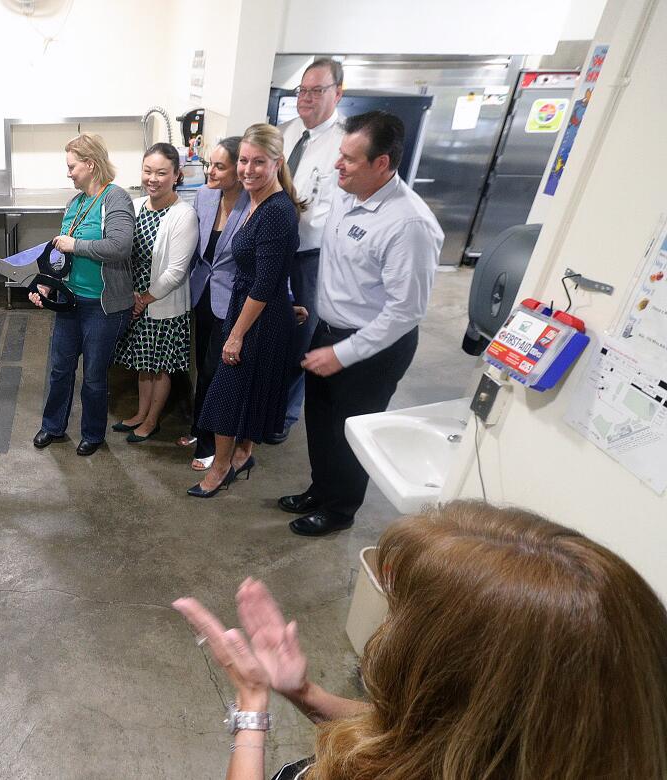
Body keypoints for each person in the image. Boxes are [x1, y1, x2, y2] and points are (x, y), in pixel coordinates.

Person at [173, 500, 667, 779]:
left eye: (401, 615)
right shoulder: (553, 744)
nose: (386, 632)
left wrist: (253, 708)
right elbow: (420, 734)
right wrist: (303, 692)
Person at [280, 111, 443, 536]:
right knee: (320, 422)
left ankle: (340, 510)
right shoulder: (347, 191)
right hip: (329, 331)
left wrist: (343, 352)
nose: (338, 165)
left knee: (350, 432)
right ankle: (320, 489)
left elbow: (405, 312)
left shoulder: (408, 225)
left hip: (371, 347)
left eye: (350, 159)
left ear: (382, 163)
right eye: (340, 155)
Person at [190, 124, 302, 498]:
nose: (248, 169)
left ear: (277, 163)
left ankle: (220, 468)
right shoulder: (255, 201)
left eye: (259, 162)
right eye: (243, 161)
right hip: (261, 310)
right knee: (252, 391)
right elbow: (272, 269)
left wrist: (236, 334)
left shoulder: (275, 211)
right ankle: (242, 455)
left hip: (258, 319)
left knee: (225, 393)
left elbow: (264, 283)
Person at [31, 133, 135, 457]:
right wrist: (48, 283)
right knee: (60, 368)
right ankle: (52, 426)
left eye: (72, 166)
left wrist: (75, 244)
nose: (69, 173)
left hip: (102, 307)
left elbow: (120, 246)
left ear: (90, 165)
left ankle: (92, 433)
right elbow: (62, 257)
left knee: (93, 375)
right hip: (69, 301)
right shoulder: (74, 205)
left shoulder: (115, 199)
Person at [272, 57, 346, 445]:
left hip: (310, 256)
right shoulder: (285, 133)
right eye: (302, 90)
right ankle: (267, 405)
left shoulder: (343, 145)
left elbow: (335, 210)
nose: (307, 98)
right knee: (269, 330)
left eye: (317, 91)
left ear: (338, 92)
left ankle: (285, 412)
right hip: (275, 249)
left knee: (302, 335)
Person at [111, 143, 199, 443]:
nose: (153, 178)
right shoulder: (134, 207)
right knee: (142, 363)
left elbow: (175, 271)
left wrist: (144, 299)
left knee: (159, 367)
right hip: (134, 301)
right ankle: (139, 412)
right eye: (148, 171)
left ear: (177, 175)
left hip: (162, 305)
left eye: (162, 173)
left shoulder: (183, 214)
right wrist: (132, 297)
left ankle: (151, 421)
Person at [182, 137, 251, 470]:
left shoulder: (255, 204)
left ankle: (210, 444)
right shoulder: (205, 195)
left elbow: (270, 261)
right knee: (200, 365)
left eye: (219, 166)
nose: (210, 171)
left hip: (233, 300)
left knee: (214, 373)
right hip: (202, 294)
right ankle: (198, 427)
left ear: (239, 170)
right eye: (210, 163)